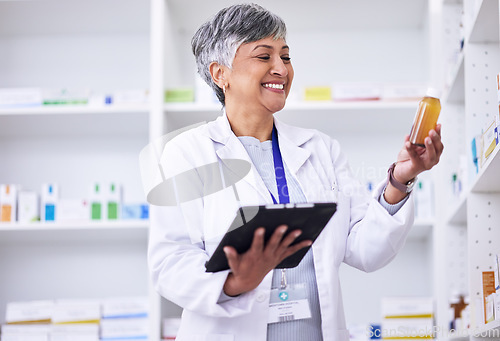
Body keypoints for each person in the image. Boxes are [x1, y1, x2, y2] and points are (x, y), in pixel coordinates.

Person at [147, 3, 444, 341]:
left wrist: (400, 180)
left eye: (285, 57)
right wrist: (234, 282)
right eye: (264, 56)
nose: (281, 69)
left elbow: (365, 249)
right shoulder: (186, 154)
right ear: (220, 74)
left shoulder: (320, 150)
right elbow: (169, 261)